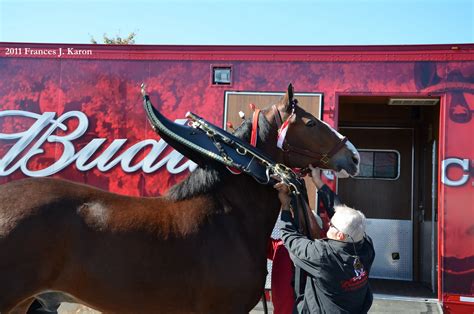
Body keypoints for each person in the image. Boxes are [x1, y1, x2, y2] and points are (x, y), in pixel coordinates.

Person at [274, 174, 375, 314]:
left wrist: (285, 206)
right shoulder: (366, 246)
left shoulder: (324, 256)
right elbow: (339, 209)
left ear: (340, 235)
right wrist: (318, 181)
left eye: (332, 225)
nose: (328, 223)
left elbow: (291, 238)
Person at [267, 165, 341, 314]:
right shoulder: (325, 252)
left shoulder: (281, 247)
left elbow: (285, 236)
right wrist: (317, 181)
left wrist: (285, 206)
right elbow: (340, 215)